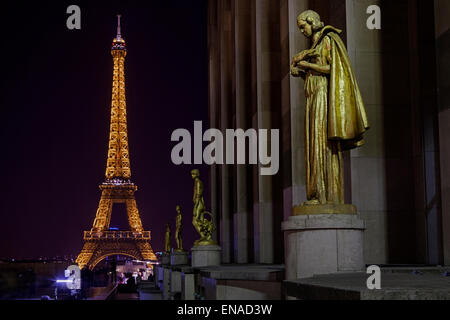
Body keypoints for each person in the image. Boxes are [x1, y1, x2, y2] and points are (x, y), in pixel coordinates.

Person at [291, 10, 369, 206]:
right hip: (313, 96)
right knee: (313, 144)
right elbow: (316, 72)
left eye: (303, 26)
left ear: (313, 21)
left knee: (321, 143)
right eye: (300, 28)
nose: (302, 31)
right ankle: (317, 194)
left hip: (323, 97)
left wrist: (307, 65)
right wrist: (301, 71)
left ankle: (325, 195)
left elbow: (332, 69)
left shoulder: (328, 38)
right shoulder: (315, 45)